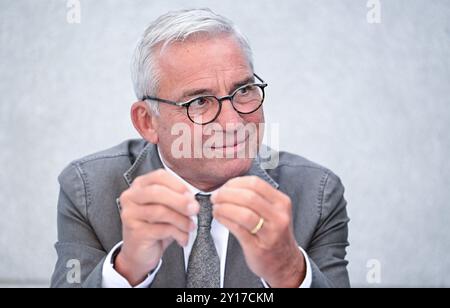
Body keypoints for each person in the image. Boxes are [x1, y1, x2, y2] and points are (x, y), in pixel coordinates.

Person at [51, 8, 350, 288]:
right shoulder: (87, 189)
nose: (234, 123)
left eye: (243, 90)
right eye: (199, 102)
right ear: (147, 122)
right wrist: (127, 269)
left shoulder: (318, 194)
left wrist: (289, 272)